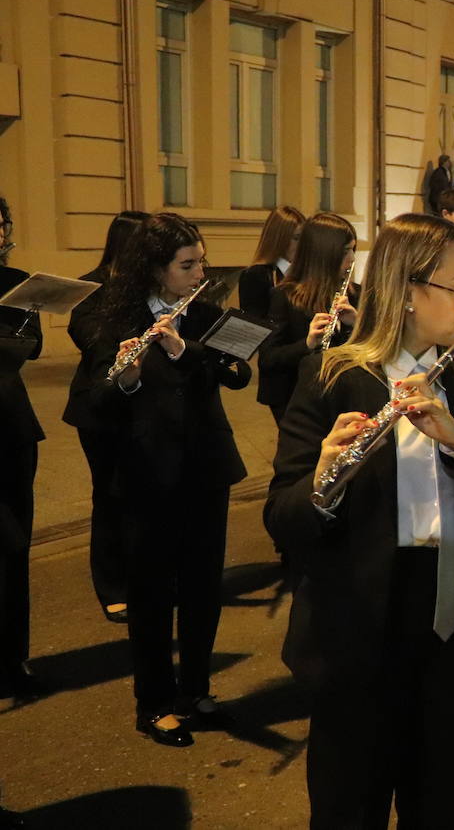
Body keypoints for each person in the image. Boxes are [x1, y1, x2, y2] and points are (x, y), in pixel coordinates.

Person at [265, 213, 454, 827]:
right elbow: (283, 516)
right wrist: (326, 479)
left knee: (441, 801)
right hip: (362, 618)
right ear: (409, 291)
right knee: (348, 803)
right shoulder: (332, 376)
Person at [91, 213, 251, 746]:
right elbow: (90, 402)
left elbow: (239, 372)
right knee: (153, 593)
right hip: (146, 474)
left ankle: (196, 691)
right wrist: (128, 381)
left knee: (205, 589)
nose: (199, 270)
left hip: (205, 468)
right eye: (188, 264)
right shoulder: (116, 318)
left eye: (200, 260)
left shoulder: (206, 313)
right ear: (157, 270)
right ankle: (154, 702)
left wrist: (189, 352)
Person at [63, 210, 147, 624]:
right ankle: (112, 586)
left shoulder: (147, 288)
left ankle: (143, 576)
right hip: (98, 409)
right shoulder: (93, 287)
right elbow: (89, 339)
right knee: (110, 496)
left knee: (140, 495)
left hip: (138, 404)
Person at [257, 213, 358, 422]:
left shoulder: (357, 295)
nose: (353, 259)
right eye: (346, 251)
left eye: (353, 250)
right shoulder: (284, 296)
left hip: (345, 395)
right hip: (298, 399)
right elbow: (268, 359)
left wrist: (356, 324)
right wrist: (308, 343)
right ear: (324, 254)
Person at [0, 234, 44, 702]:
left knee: (15, 548)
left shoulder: (16, 282)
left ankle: (15, 658)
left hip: (11, 424)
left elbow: (31, 348)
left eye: (2, 224)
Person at [239, 206, 306, 319]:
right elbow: (255, 327)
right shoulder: (256, 275)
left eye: (304, 239)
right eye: (296, 238)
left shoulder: (307, 273)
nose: (302, 245)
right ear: (279, 240)